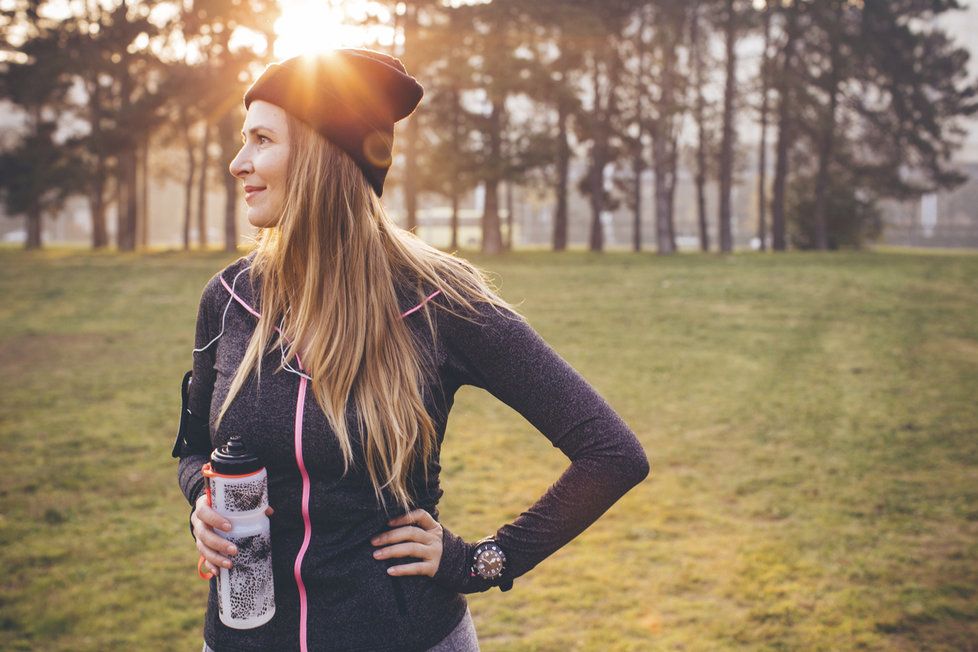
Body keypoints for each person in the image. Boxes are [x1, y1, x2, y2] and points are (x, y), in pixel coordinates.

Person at [172, 48, 651, 652]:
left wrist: (482, 561)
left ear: (325, 157)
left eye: (262, 139)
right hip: (240, 638)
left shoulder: (438, 302)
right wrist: (201, 502)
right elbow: (194, 449)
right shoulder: (229, 299)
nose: (238, 163)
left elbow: (612, 453)